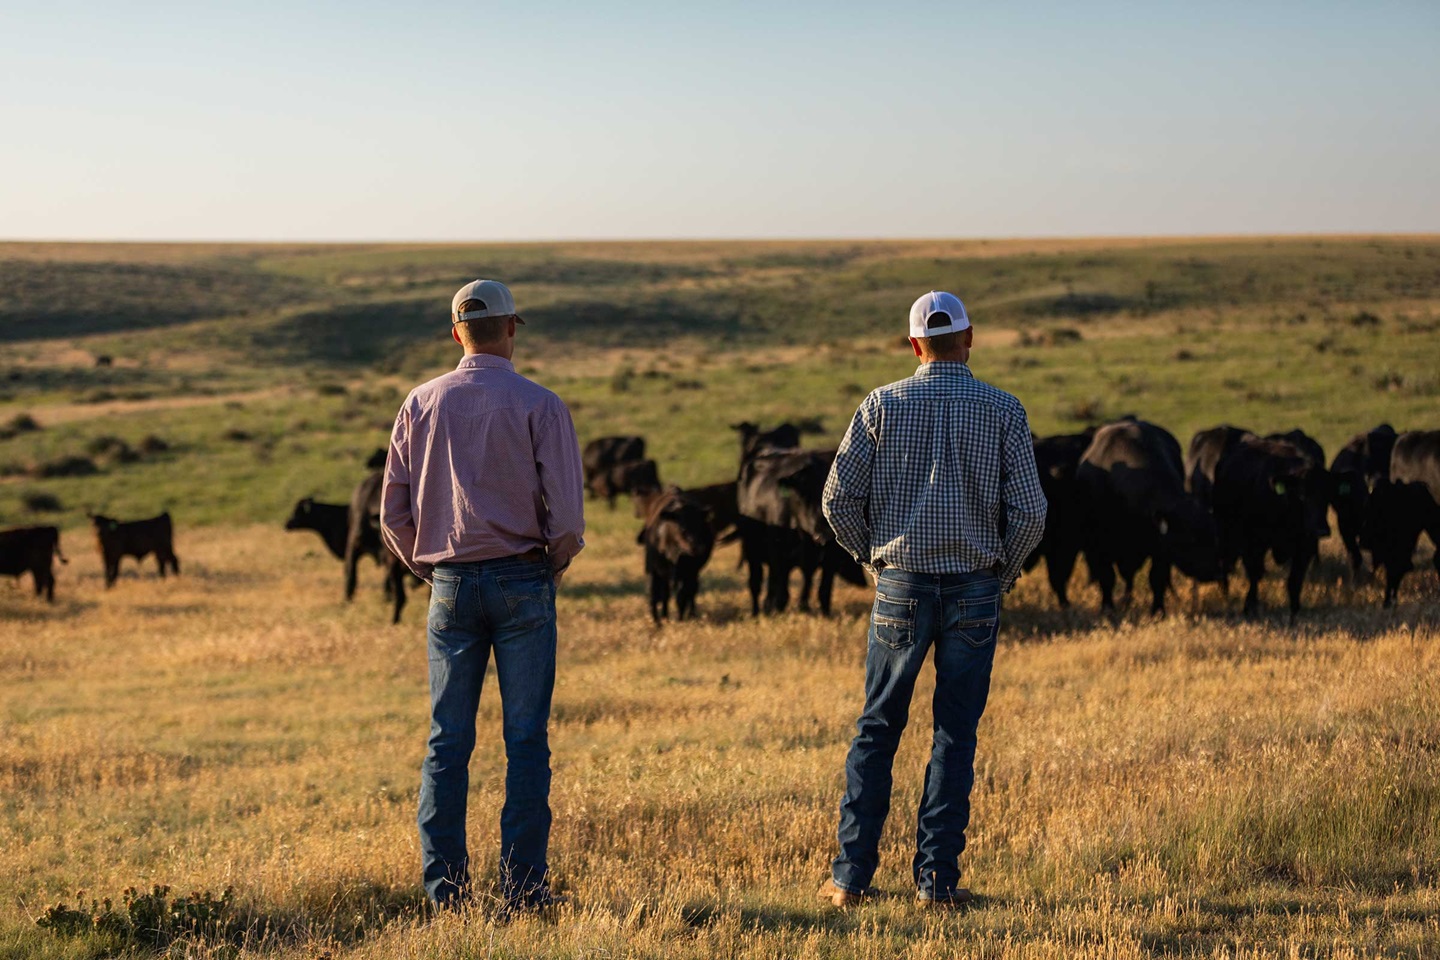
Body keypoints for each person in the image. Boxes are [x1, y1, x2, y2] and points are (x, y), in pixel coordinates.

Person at [818, 290, 1047, 909]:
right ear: (970, 339)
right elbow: (1030, 510)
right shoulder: (1004, 408)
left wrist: (873, 560)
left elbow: (836, 501)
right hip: (975, 583)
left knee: (876, 729)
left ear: (914, 345)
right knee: (954, 735)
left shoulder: (879, 406)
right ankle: (936, 884)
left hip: (902, 582)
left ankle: (849, 879)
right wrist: (1001, 574)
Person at [380, 279, 585, 912]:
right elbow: (569, 519)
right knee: (525, 740)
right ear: (512, 329)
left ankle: (447, 893)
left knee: (447, 740)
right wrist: (548, 567)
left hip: (448, 585)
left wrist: (433, 570)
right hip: (523, 579)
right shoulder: (540, 403)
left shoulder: (419, 403)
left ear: (456, 333)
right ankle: (523, 890)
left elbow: (393, 512)